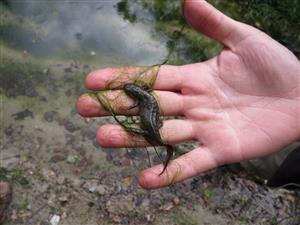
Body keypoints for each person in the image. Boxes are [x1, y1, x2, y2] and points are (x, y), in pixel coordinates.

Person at [77, 0, 300, 189]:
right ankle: (233, 165)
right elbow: (143, 103)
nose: (133, 91)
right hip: (152, 122)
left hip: (152, 121)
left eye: (132, 90)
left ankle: (233, 166)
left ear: (137, 92)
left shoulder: (142, 98)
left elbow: (141, 104)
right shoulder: (144, 96)